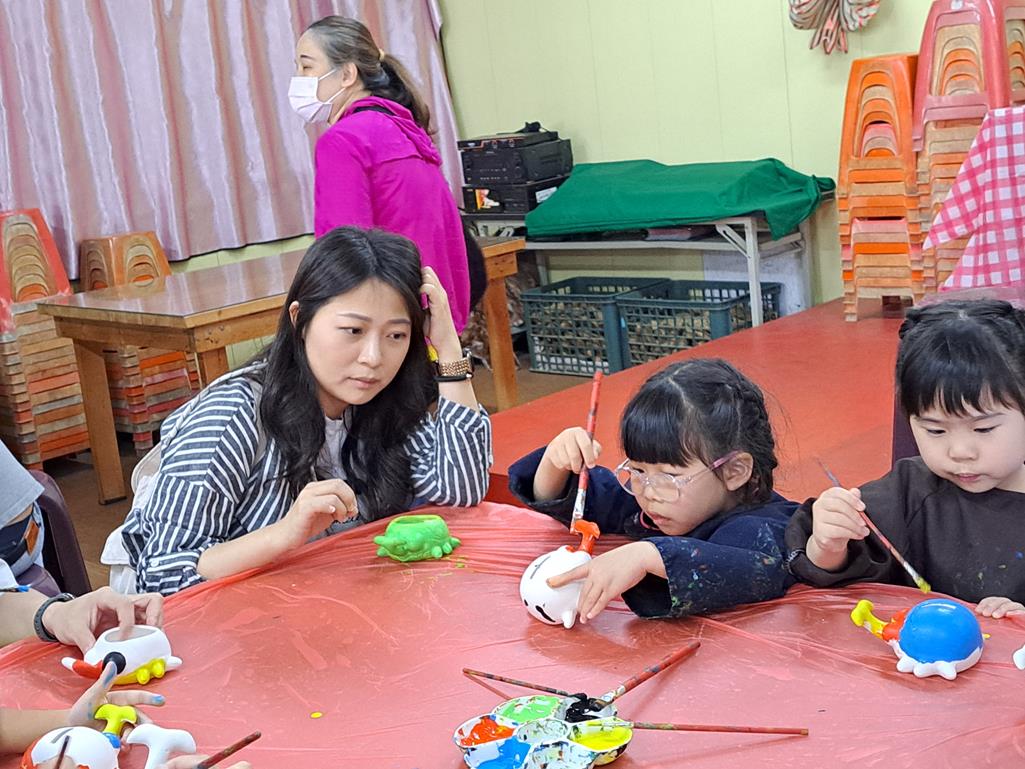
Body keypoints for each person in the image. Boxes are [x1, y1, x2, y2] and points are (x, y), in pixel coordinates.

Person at [123, 227, 491, 595]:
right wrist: (285, 534)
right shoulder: (231, 415)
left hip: (327, 602)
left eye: (396, 335)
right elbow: (162, 571)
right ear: (300, 319)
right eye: (353, 330)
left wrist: (448, 348)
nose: (373, 358)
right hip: (241, 615)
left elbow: (460, 490)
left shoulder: (383, 400)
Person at [508, 358, 799, 621]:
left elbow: (755, 569)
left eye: (669, 475)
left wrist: (648, 556)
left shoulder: (765, 527)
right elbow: (588, 502)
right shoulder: (658, 501)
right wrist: (556, 462)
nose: (648, 492)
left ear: (734, 471)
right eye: (637, 470)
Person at [785, 300, 1025, 617]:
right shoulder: (908, 491)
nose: (959, 451)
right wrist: (828, 544)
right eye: (935, 431)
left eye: (983, 429)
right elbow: (831, 572)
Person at [289, 16, 475, 331]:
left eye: (307, 66)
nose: (298, 78)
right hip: (434, 317)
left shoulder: (343, 140)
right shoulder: (404, 128)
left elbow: (343, 252)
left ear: (347, 74)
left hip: (388, 324)